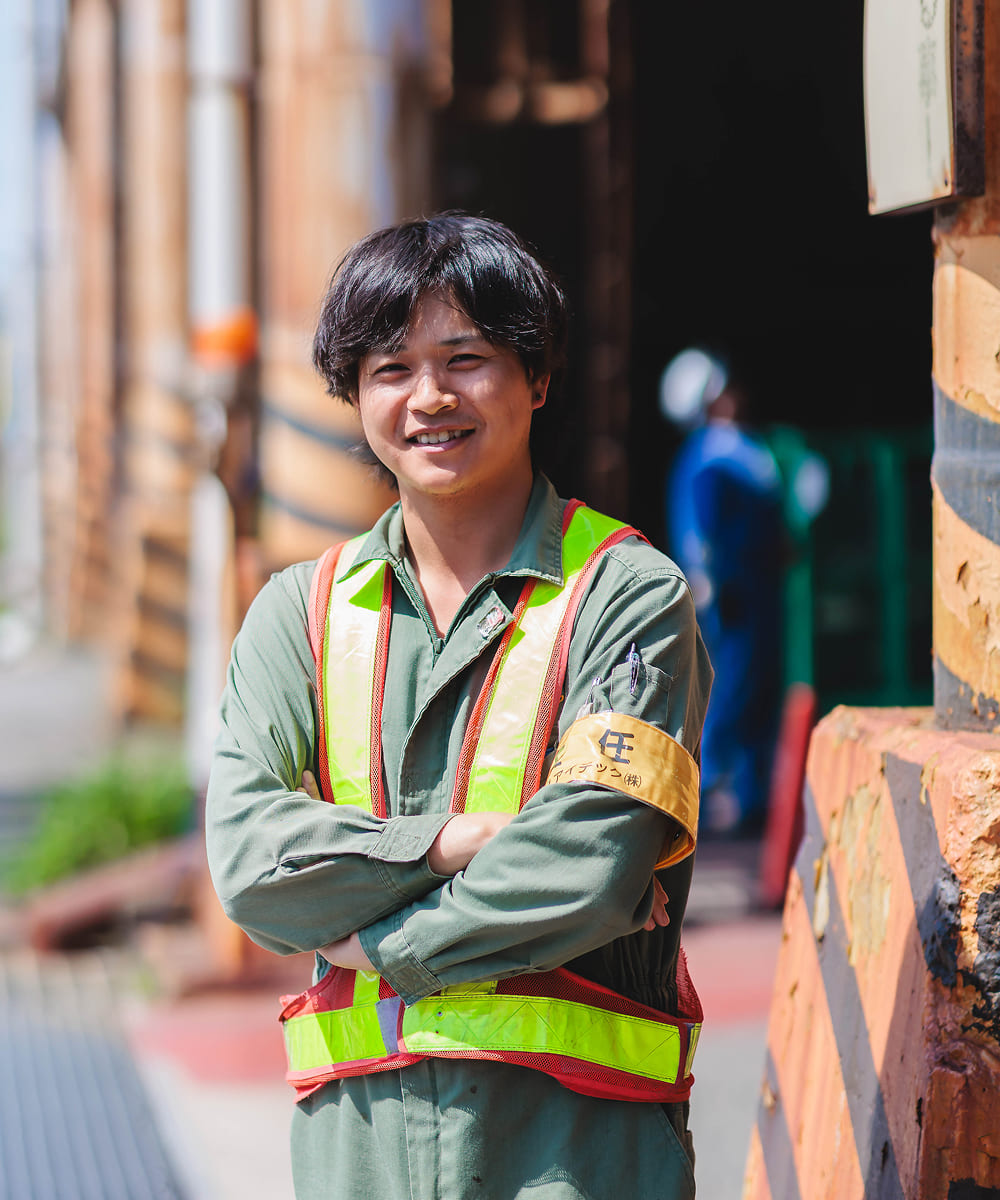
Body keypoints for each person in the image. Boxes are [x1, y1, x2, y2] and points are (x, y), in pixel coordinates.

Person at [206, 213, 712, 1200]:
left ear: (538, 379)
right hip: (361, 1161)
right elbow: (249, 859)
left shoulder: (626, 596)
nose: (429, 397)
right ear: (353, 396)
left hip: (576, 1156)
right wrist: (453, 843)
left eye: (466, 358)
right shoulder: (298, 617)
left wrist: (376, 946)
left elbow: (591, 861)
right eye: (389, 367)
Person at [659, 348, 784, 837]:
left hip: (753, 594)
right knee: (731, 690)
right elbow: (700, 534)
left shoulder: (731, 451)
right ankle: (703, 791)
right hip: (734, 602)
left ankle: (749, 795)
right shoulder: (712, 458)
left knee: (753, 690)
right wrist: (708, 584)